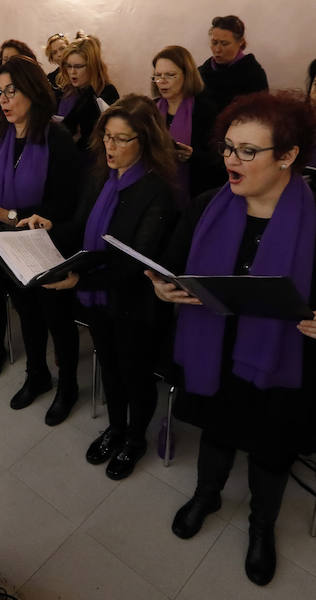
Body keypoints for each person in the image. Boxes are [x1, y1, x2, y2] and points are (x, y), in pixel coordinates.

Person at [149, 91, 316, 586]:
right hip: (216, 352)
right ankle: (207, 493)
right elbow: (170, 266)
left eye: (248, 151)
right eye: (227, 147)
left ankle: (261, 525)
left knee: (271, 448)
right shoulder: (208, 206)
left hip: (283, 361)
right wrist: (161, 287)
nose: (231, 160)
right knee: (218, 430)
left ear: (287, 157)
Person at [27, 94, 178, 474]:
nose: (109, 147)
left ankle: (135, 439)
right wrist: (50, 227)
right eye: (106, 136)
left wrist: (79, 279)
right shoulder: (101, 176)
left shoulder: (157, 191)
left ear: (143, 141)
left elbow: (134, 262)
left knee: (134, 373)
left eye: (121, 139)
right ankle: (115, 427)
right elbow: (81, 226)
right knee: (108, 365)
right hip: (99, 295)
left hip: (133, 302)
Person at [0, 56, 81, 407]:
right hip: (10, 248)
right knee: (28, 314)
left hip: (49, 247)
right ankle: (37, 376)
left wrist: (9, 214)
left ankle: (67, 385)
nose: (3, 100)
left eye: (11, 91)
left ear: (33, 92)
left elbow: (66, 204)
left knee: (58, 320)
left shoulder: (58, 139)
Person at [151, 45, 224, 207]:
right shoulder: (152, 109)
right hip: (156, 193)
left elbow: (220, 159)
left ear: (187, 76)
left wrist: (192, 156)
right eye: (157, 76)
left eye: (170, 75)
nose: (162, 81)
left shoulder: (205, 110)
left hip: (195, 193)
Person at [56, 37, 119, 156]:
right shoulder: (68, 92)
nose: (72, 72)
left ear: (92, 66)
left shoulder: (106, 92)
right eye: (68, 66)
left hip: (96, 159)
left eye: (78, 66)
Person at [198, 15, 268, 115]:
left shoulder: (253, 75)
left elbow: (260, 115)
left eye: (224, 43)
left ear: (240, 42)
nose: (217, 49)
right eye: (214, 42)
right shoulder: (202, 72)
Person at [43, 33, 70, 99]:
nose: (59, 54)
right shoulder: (51, 79)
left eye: (62, 48)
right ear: (51, 58)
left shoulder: (82, 71)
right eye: (54, 52)